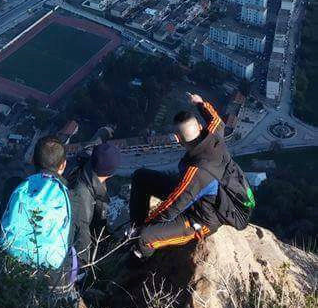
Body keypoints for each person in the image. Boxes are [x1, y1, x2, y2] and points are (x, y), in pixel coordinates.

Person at [128, 93, 255, 258]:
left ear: (178, 139)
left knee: (144, 237)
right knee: (141, 177)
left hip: (203, 217)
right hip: (198, 194)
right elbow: (216, 120)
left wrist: (144, 227)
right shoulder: (214, 136)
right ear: (200, 128)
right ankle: (135, 227)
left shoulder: (196, 172)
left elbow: (172, 207)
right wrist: (200, 103)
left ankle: (138, 259)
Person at [0, 135, 76, 289]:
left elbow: (4, 218)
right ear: (63, 165)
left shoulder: (14, 185)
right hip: (50, 277)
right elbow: (72, 239)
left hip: (9, 263)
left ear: (32, 160)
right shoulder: (73, 198)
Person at [67, 141, 121, 272]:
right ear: (111, 173)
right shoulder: (82, 199)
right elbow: (81, 233)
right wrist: (81, 268)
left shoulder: (85, 166)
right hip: (78, 243)